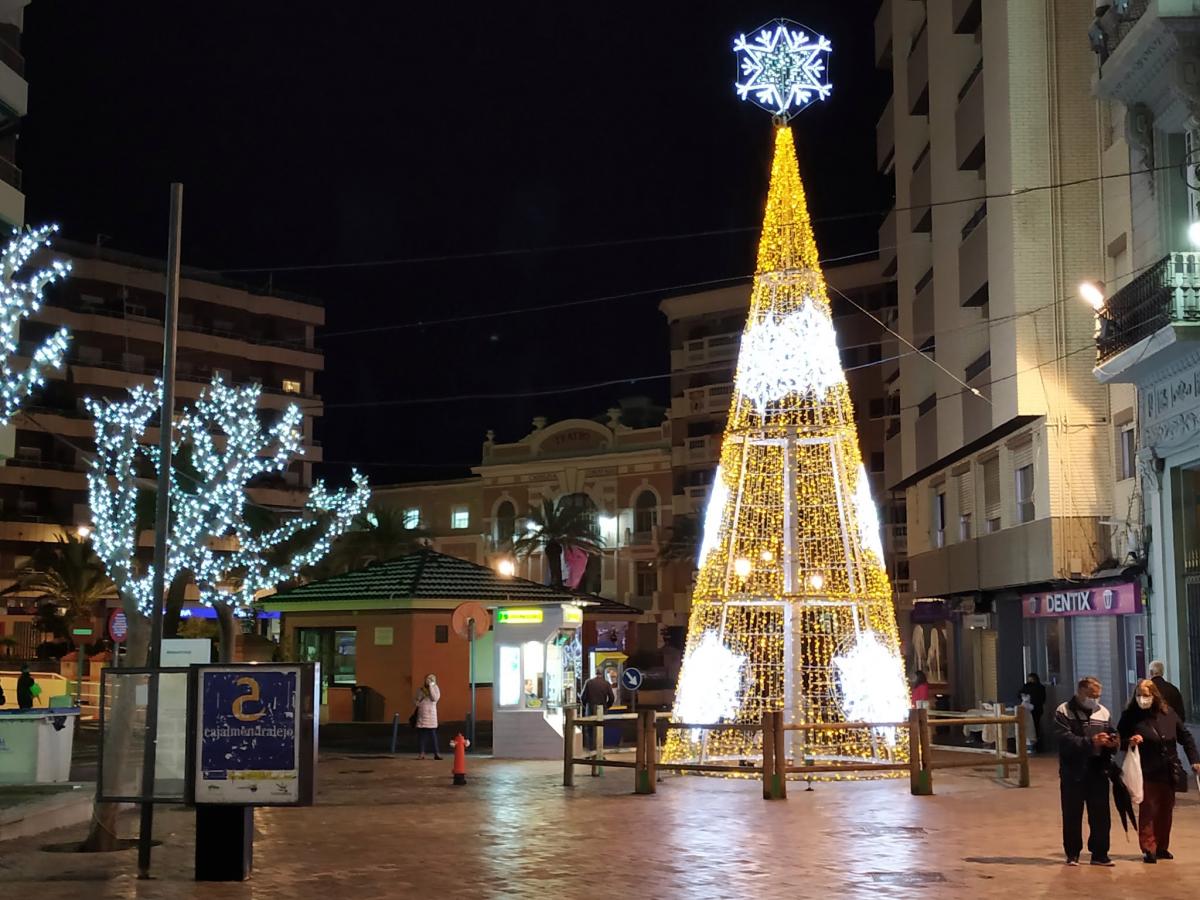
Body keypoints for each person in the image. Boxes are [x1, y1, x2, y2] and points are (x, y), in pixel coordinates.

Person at [1118, 678, 1200, 863]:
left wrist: (1194, 760)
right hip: (1145, 769)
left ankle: (1162, 846)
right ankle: (1149, 848)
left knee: (1165, 809)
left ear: (1154, 695)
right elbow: (1119, 739)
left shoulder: (1168, 713)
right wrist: (1129, 742)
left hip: (1168, 769)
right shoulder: (1130, 716)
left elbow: (1185, 737)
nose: (1142, 699)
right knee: (1147, 809)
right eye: (1139, 695)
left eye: (1145, 695)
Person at [1054, 676, 1119, 866]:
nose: (1095, 699)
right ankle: (1072, 853)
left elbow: (1113, 732)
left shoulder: (1103, 712)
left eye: (1098, 696)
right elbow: (1064, 740)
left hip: (1098, 770)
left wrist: (1113, 742)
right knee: (1072, 814)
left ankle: (1100, 853)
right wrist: (1091, 742)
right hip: (1073, 772)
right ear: (1081, 691)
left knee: (1101, 815)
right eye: (1092, 695)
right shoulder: (1064, 711)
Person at [580, 667, 615, 751]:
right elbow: (612, 698)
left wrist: (586, 706)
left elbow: (582, 697)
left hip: (590, 710)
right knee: (600, 730)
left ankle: (591, 751)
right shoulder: (606, 684)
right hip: (602, 710)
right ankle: (599, 751)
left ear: (595, 673)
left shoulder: (588, 682)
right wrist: (606, 706)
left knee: (590, 731)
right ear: (602, 673)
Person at [414, 674, 441, 760]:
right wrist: (418, 704)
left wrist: (431, 686)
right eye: (427, 678)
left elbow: (434, 698)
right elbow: (416, 700)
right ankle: (421, 753)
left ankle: (436, 753)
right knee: (422, 735)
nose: (429, 680)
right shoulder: (421, 689)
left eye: (431, 679)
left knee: (433, 735)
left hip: (431, 715)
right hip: (422, 714)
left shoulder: (435, 688)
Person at [1019, 672, 1048, 751]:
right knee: (1035, 726)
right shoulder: (1040, 687)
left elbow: (1020, 694)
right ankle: (1034, 744)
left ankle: (1032, 743)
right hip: (1036, 709)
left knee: (1033, 726)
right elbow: (1042, 699)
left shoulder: (1027, 687)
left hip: (1032, 709)